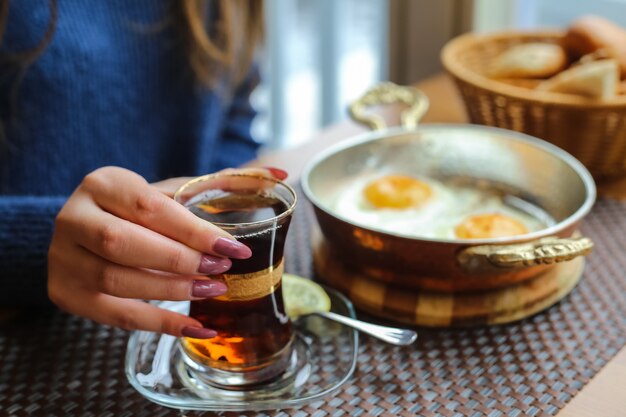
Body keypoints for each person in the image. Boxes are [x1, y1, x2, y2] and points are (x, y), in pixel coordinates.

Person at [0, 0, 282, 340]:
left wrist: (212, 199)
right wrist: (40, 244)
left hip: (182, 304)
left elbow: (233, 113)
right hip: (28, 330)